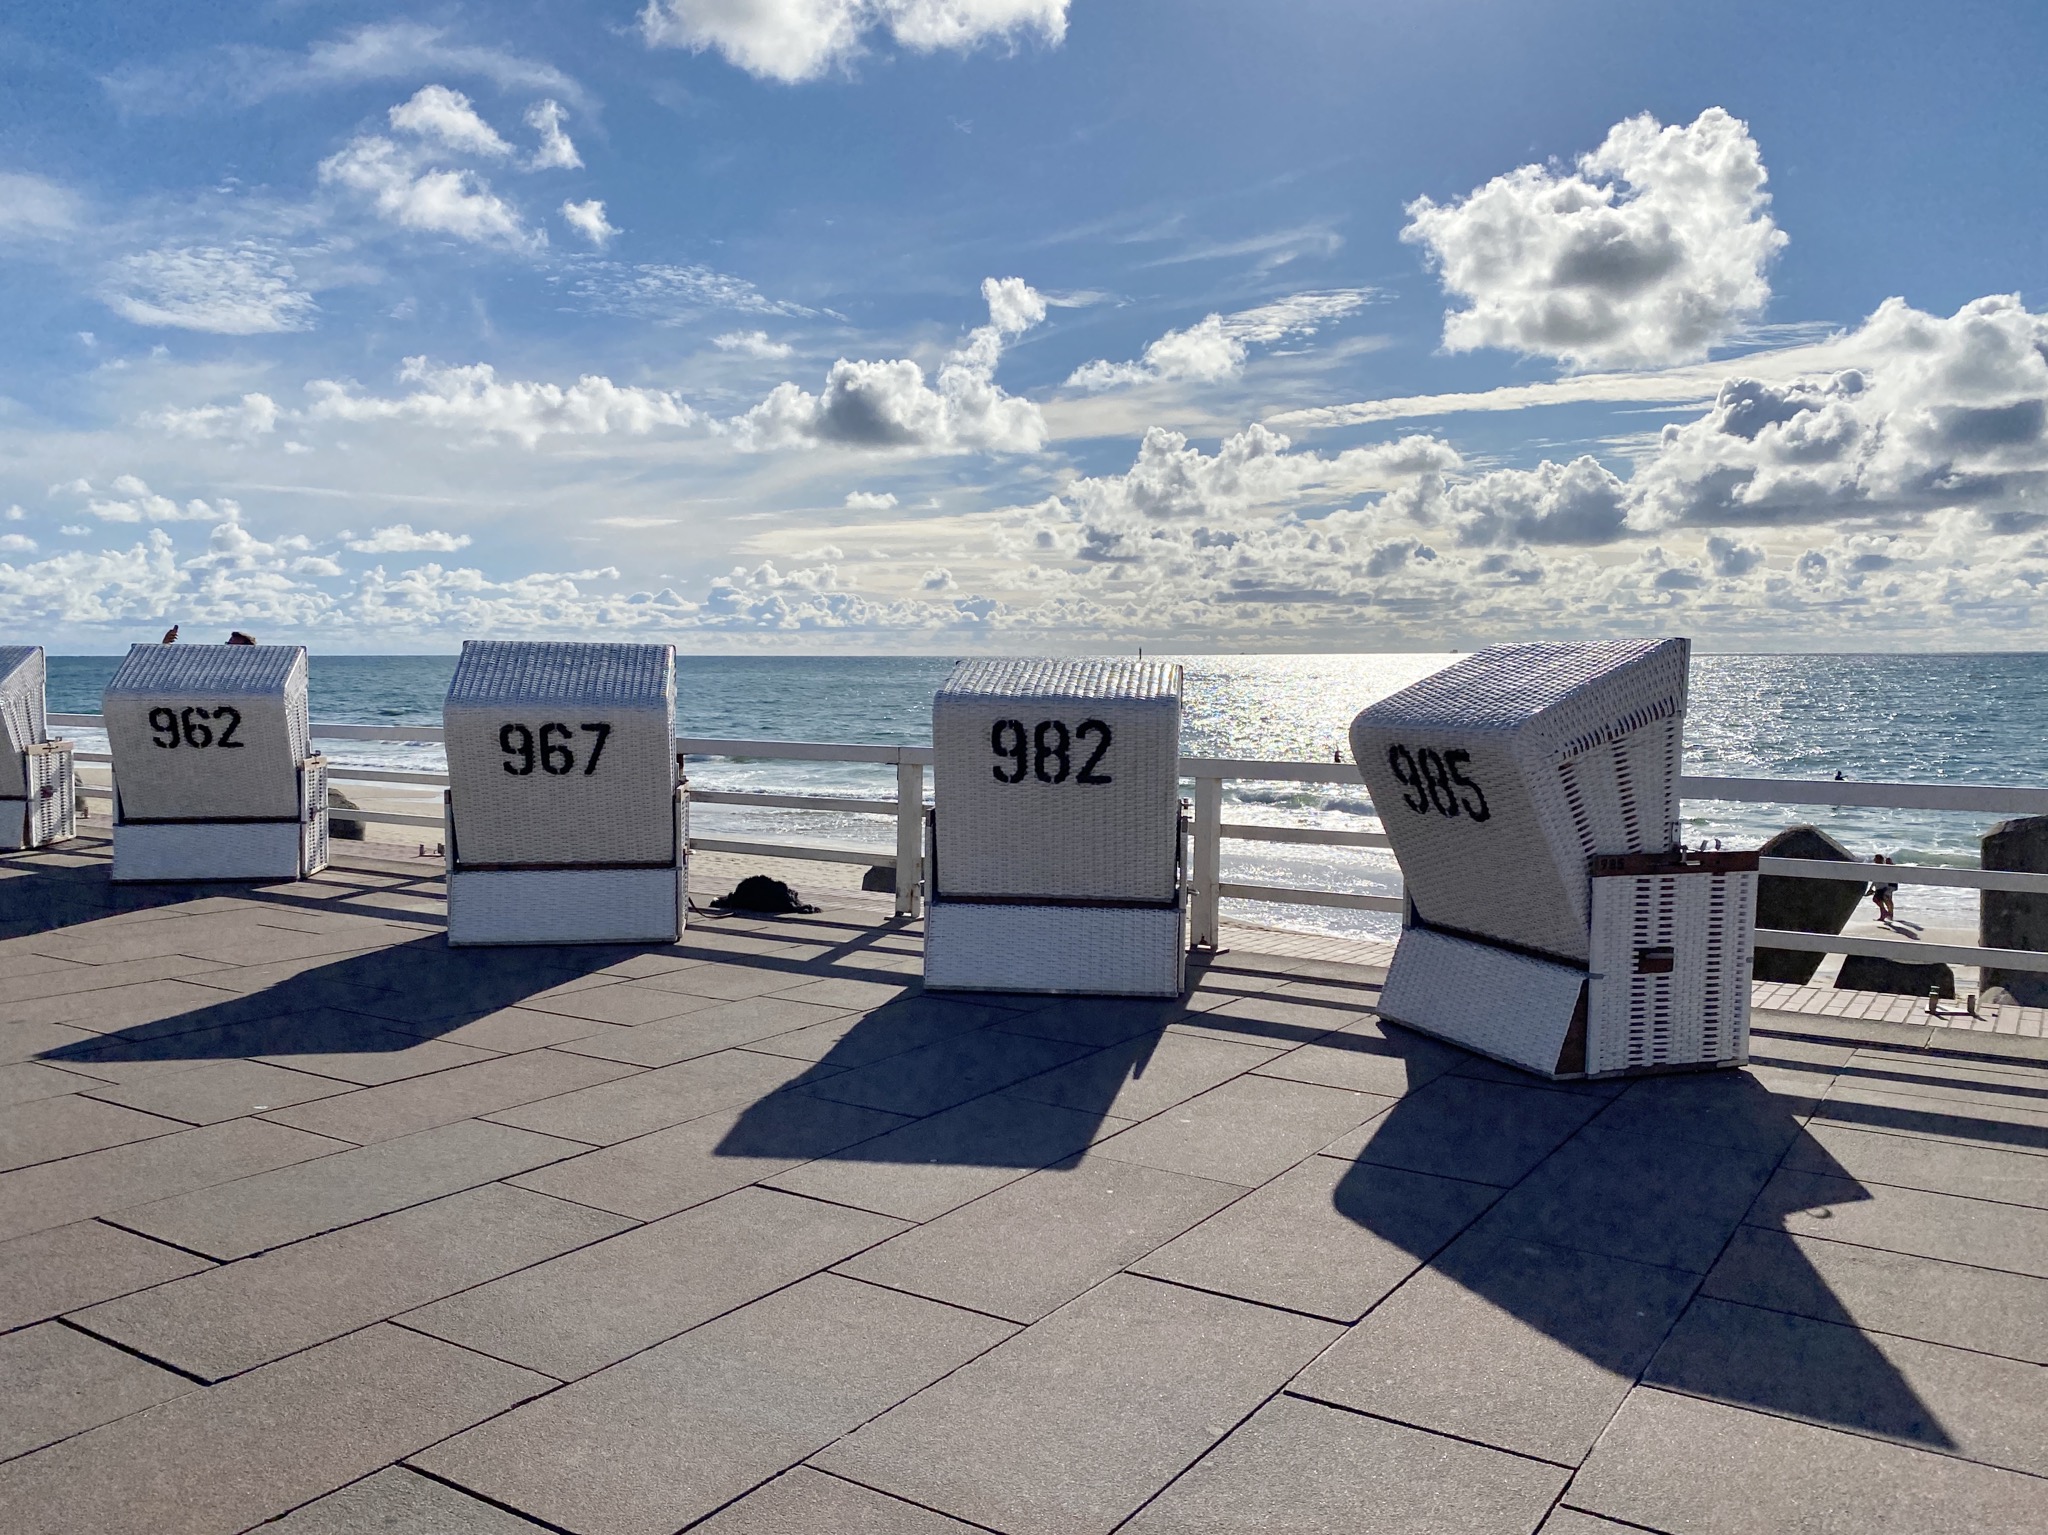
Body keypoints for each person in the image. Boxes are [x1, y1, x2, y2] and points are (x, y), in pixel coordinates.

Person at [1870, 853, 1897, 924]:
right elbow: (1874, 879)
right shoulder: (1876, 867)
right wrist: (1871, 888)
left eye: (1875, 858)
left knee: (1879, 900)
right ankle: (1885, 914)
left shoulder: (1883, 867)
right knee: (1881, 900)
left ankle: (1887, 913)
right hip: (1880, 886)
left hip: (1883, 887)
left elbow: (1889, 877)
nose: (1874, 860)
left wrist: (1889, 888)